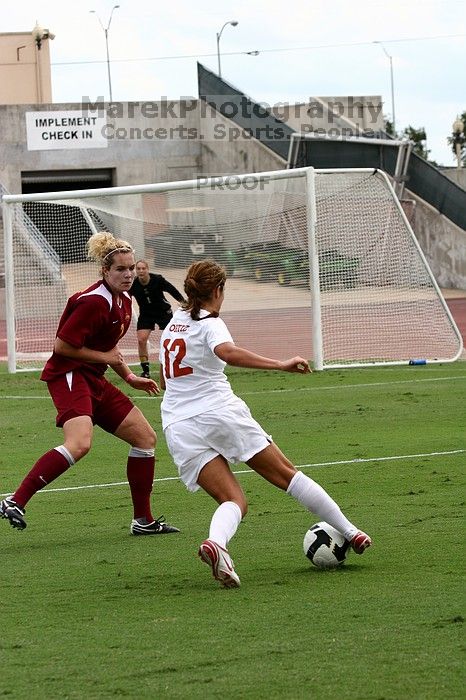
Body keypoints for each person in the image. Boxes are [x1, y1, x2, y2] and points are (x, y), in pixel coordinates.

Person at [159, 259, 371, 589]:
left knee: (234, 500)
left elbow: (164, 377)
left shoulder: (175, 322)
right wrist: (280, 364)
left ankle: (217, 544)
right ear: (217, 290)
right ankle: (350, 532)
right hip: (218, 412)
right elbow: (227, 352)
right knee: (286, 474)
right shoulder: (210, 322)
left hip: (177, 424)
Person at [0, 232, 179, 537]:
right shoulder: (94, 301)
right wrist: (105, 358)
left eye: (131, 268)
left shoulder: (124, 300)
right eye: (120, 269)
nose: (128, 274)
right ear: (104, 272)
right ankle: (14, 501)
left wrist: (130, 377)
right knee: (80, 444)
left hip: (93, 378)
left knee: (145, 439)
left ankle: (144, 521)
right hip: (69, 375)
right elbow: (62, 347)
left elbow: (111, 351)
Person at [130, 259, 184, 378]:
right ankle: (145, 370)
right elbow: (125, 297)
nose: (141, 271)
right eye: (138, 269)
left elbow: (172, 290)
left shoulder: (157, 280)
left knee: (171, 338)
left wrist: (183, 302)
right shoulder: (133, 284)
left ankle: (176, 364)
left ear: (147, 269)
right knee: (141, 340)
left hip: (163, 312)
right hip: (146, 314)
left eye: (143, 268)